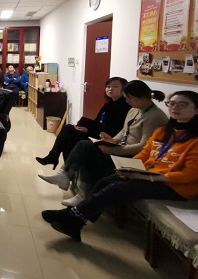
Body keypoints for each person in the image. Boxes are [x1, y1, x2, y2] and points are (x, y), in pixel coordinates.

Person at [42, 90, 198, 242]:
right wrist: (129, 167)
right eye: (171, 103)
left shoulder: (195, 139)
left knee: (119, 188)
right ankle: (74, 218)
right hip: (146, 173)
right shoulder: (163, 131)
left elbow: (188, 175)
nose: (175, 108)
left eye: (182, 105)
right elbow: (145, 153)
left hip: (174, 186)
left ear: (196, 109)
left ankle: (72, 218)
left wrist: (148, 177)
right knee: (105, 181)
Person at [39, 80, 168, 206]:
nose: (127, 101)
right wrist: (112, 141)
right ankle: (65, 175)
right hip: (120, 147)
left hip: (132, 157)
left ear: (143, 97)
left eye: (130, 98)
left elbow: (144, 147)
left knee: (85, 148)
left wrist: (114, 149)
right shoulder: (134, 110)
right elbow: (124, 131)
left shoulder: (155, 116)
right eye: (126, 98)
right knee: (81, 142)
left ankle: (79, 190)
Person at [35, 77, 131, 169]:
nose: (110, 89)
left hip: (106, 138)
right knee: (69, 132)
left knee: (69, 133)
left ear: (124, 89)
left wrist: (88, 130)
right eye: (108, 86)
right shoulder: (108, 104)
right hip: (97, 133)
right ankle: (64, 166)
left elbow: (113, 131)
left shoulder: (125, 107)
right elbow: (97, 122)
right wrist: (85, 125)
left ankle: (59, 163)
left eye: (115, 86)